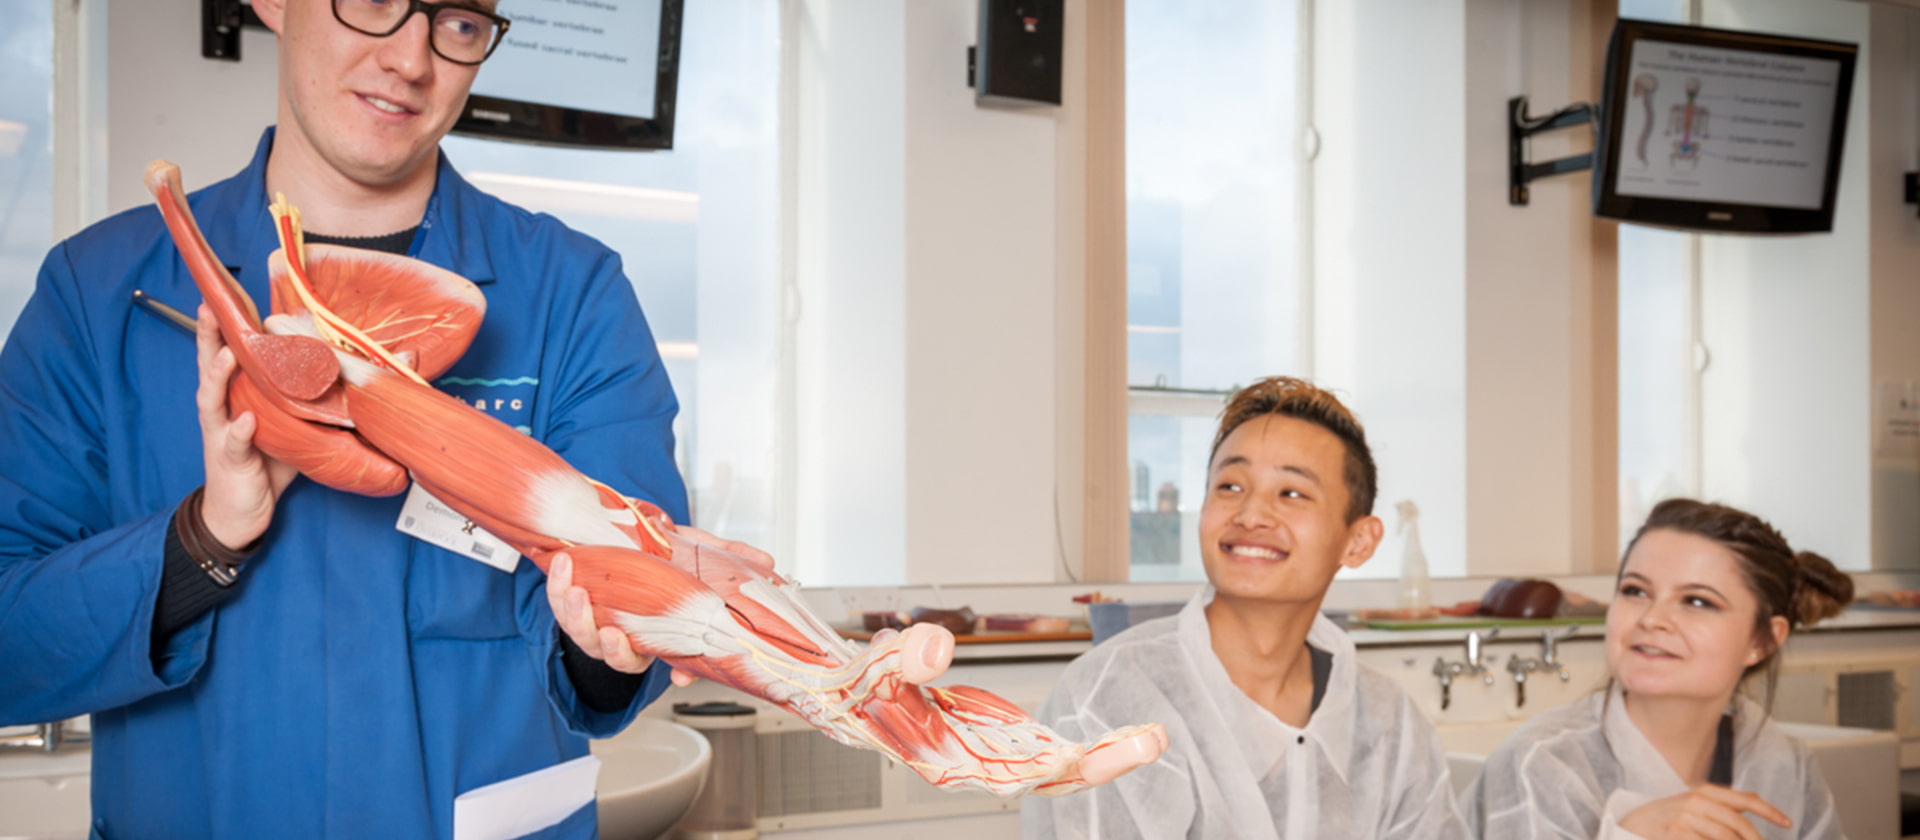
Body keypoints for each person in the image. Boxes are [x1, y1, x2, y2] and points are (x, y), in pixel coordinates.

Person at [0, 0, 750, 836]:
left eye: (458, 23)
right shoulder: (101, 294)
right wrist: (202, 541)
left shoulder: (572, 298)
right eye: (373, 4)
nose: (410, 60)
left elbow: (624, 624)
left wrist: (608, 640)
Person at [1021, 376, 1469, 840]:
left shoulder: (1389, 725)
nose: (1251, 515)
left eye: (1291, 493)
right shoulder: (1103, 702)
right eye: (1230, 486)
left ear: (1357, 541)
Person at [1464, 498, 1854, 839]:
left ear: (1762, 641)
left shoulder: (1784, 765)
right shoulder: (1540, 765)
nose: (1652, 619)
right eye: (1635, 591)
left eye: (1698, 601)